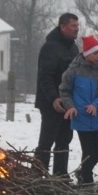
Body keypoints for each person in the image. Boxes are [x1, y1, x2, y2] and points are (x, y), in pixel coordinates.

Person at [59, 35, 98, 186]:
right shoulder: (73, 70)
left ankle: (83, 172)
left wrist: (97, 104)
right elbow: (64, 91)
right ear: (86, 53)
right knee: (88, 151)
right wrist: (70, 106)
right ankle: (87, 180)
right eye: (95, 53)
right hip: (81, 117)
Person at [34, 13, 80, 177]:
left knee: (64, 140)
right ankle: (38, 176)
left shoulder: (73, 48)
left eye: (77, 25)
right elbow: (45, 77)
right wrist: (54, 98)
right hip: (51, 103)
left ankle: (61, 175)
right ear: (63, 27)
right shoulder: (50, 47)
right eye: (73, 25)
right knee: (46, 141)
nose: (77, 29)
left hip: (68, 102)